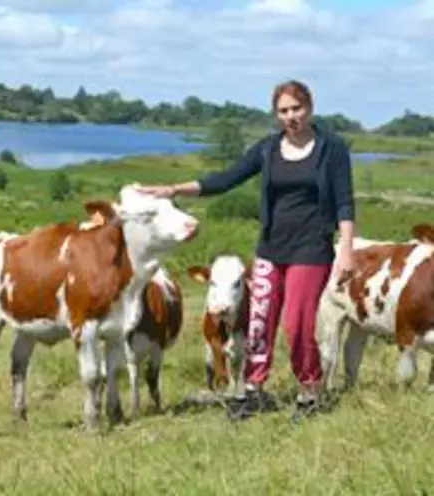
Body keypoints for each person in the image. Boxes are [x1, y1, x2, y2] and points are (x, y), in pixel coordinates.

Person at [135, 79, 356, 422]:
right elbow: (225, 179)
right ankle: (253, 389)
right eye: (283, 111)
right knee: (259, 323)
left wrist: (346, 252)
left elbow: (344, 202)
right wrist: (173, 189)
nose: (290, 116)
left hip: (311, 251)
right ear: (276, 114)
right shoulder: (268, 148)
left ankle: (310, 391)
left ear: (309, 107)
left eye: (296, 108)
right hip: (270, 248)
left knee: (296, 326)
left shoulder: (332, 148)